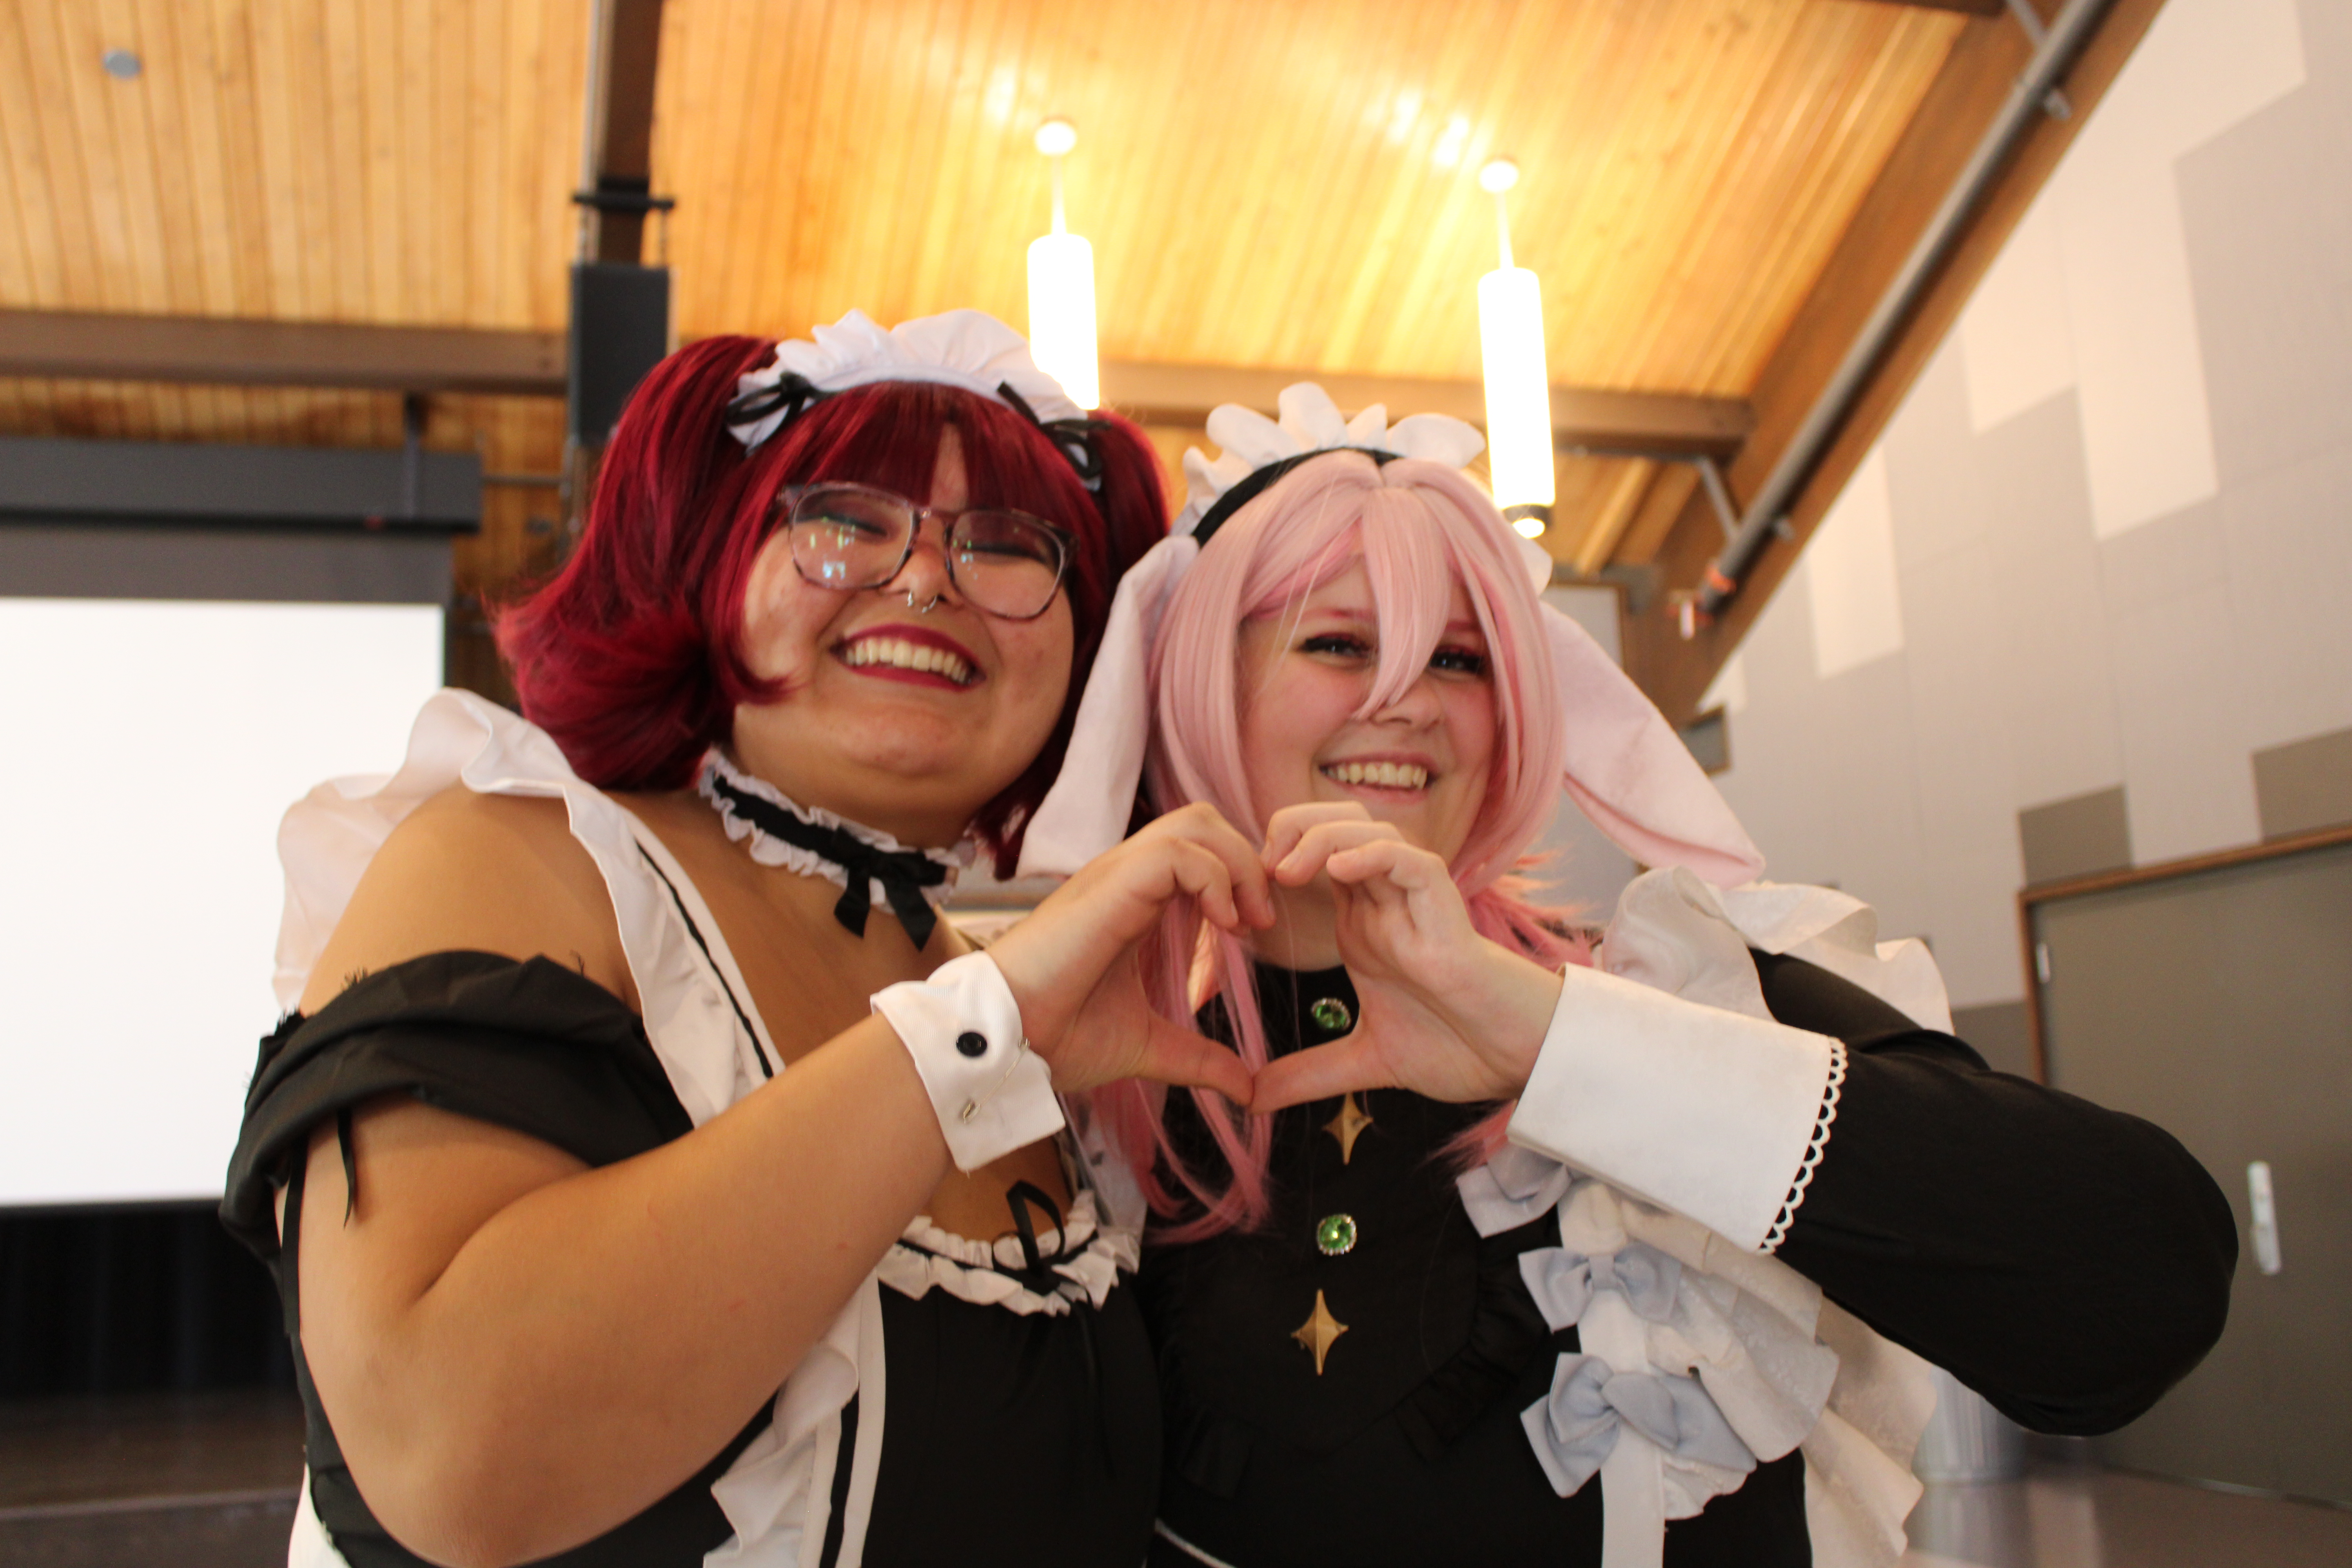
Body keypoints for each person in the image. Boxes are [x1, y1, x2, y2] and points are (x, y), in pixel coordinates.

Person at [1017, 386, 2238, 1568]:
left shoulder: (1687, 988)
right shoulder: (1116, 1094)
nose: (1407, 706)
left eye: (1462, 662)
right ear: (1197, 687)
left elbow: (2141, 1287)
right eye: (1338, 644)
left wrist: (1560, 1046)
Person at [220, 310, 1276, 1568]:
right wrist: (970, 1044)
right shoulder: (523, 858)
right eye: (844, 519)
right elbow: (450, 1455)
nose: (928, 579)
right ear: (713, 566)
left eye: (1006, 546)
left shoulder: (1040, 1015)